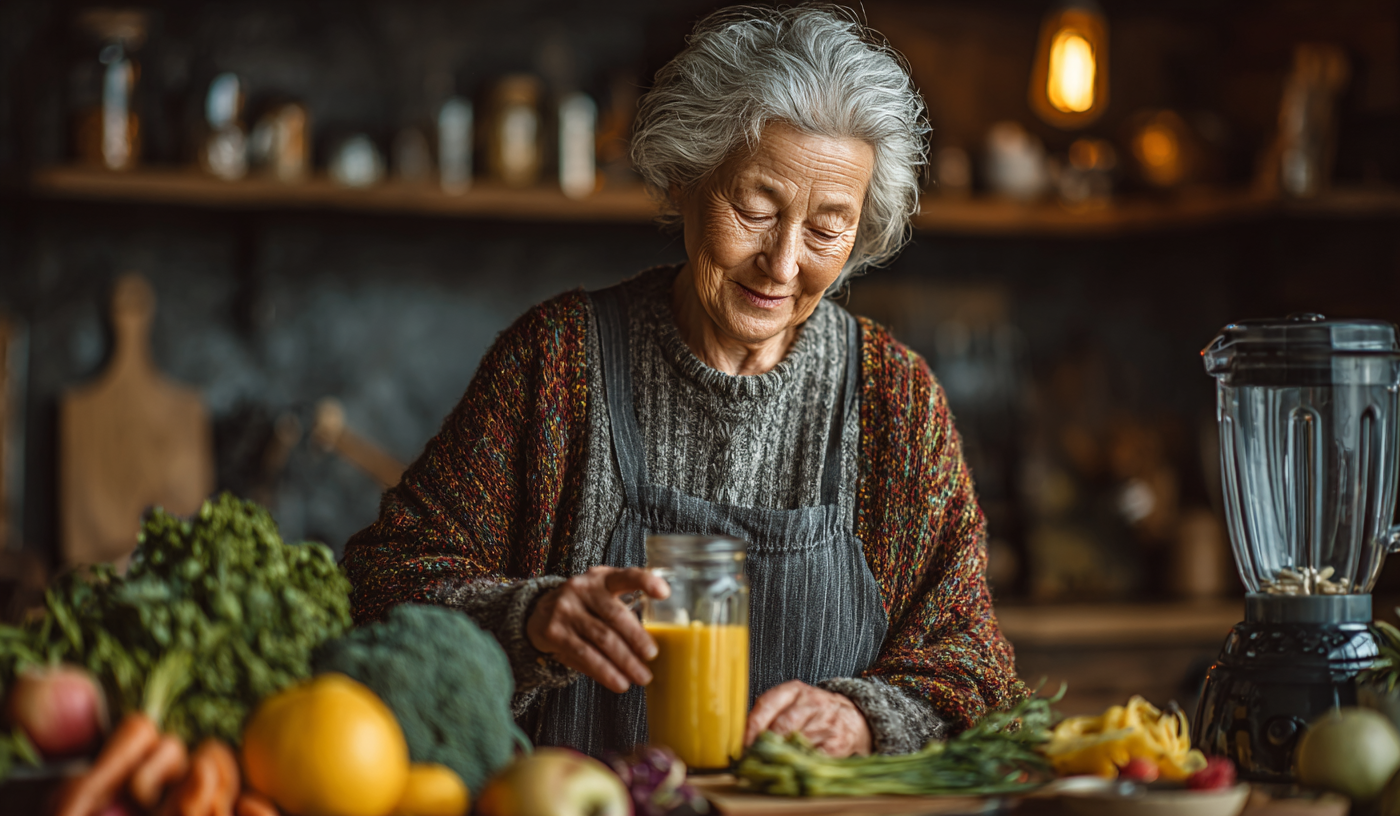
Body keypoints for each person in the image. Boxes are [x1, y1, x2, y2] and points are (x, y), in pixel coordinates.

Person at [344, 4, 1023, 759]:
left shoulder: (895, 399)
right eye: (755, 209)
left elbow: (976, 664)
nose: (784, 262)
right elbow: (382, 581)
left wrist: (868, 717)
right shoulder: (557, 363)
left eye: (828, 229)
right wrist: (527, 619)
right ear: (686, 179)